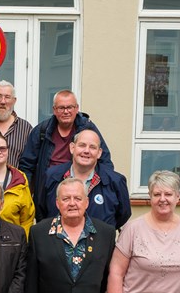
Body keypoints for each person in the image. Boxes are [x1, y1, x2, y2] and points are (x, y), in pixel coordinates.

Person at [19, 90, 113, 221]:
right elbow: (26, 166)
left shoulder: (88, 129)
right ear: (54, 109)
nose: (66, 111)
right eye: (61, 108)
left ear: (77, 108)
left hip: (82, 191)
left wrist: (106, 193)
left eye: (70, 107)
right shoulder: (42, 131)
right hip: (50, 192)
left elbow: (105, 160)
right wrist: (28, 196)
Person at [42, 129, 131, 230]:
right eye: (82, 145)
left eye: (92, 147)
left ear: (99, 153)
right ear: (72, 148)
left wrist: (104, 233)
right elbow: (42, 211)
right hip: (58, 242)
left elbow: (123, 215)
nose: (86, 151)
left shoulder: (116, 181)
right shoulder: (51, 176)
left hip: (100, 243)